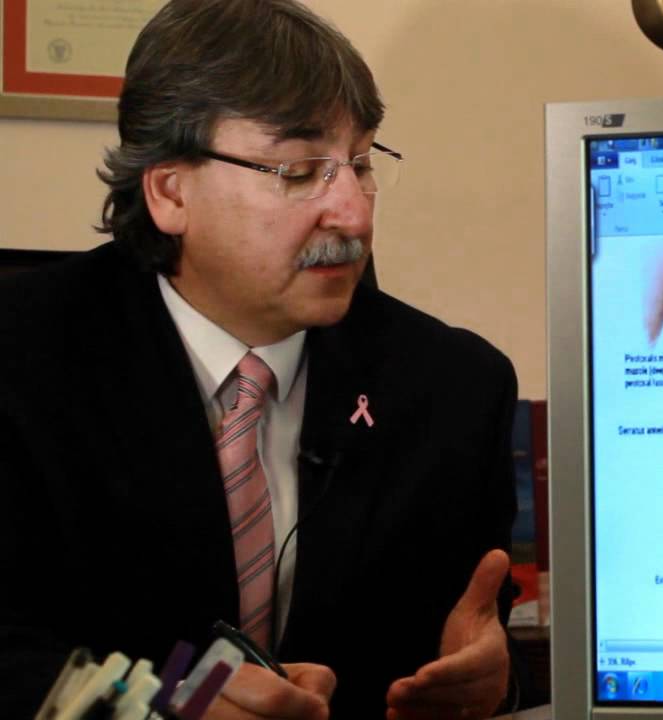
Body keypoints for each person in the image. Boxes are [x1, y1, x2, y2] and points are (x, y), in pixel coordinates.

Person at [0, 1, 519, 718]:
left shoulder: (454, 392)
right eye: (300, 170)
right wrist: (153, 704)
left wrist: (489, 677)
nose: (354, 214)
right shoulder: (22, 361)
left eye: (361, 164)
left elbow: (471, 639)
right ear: (170, 191)